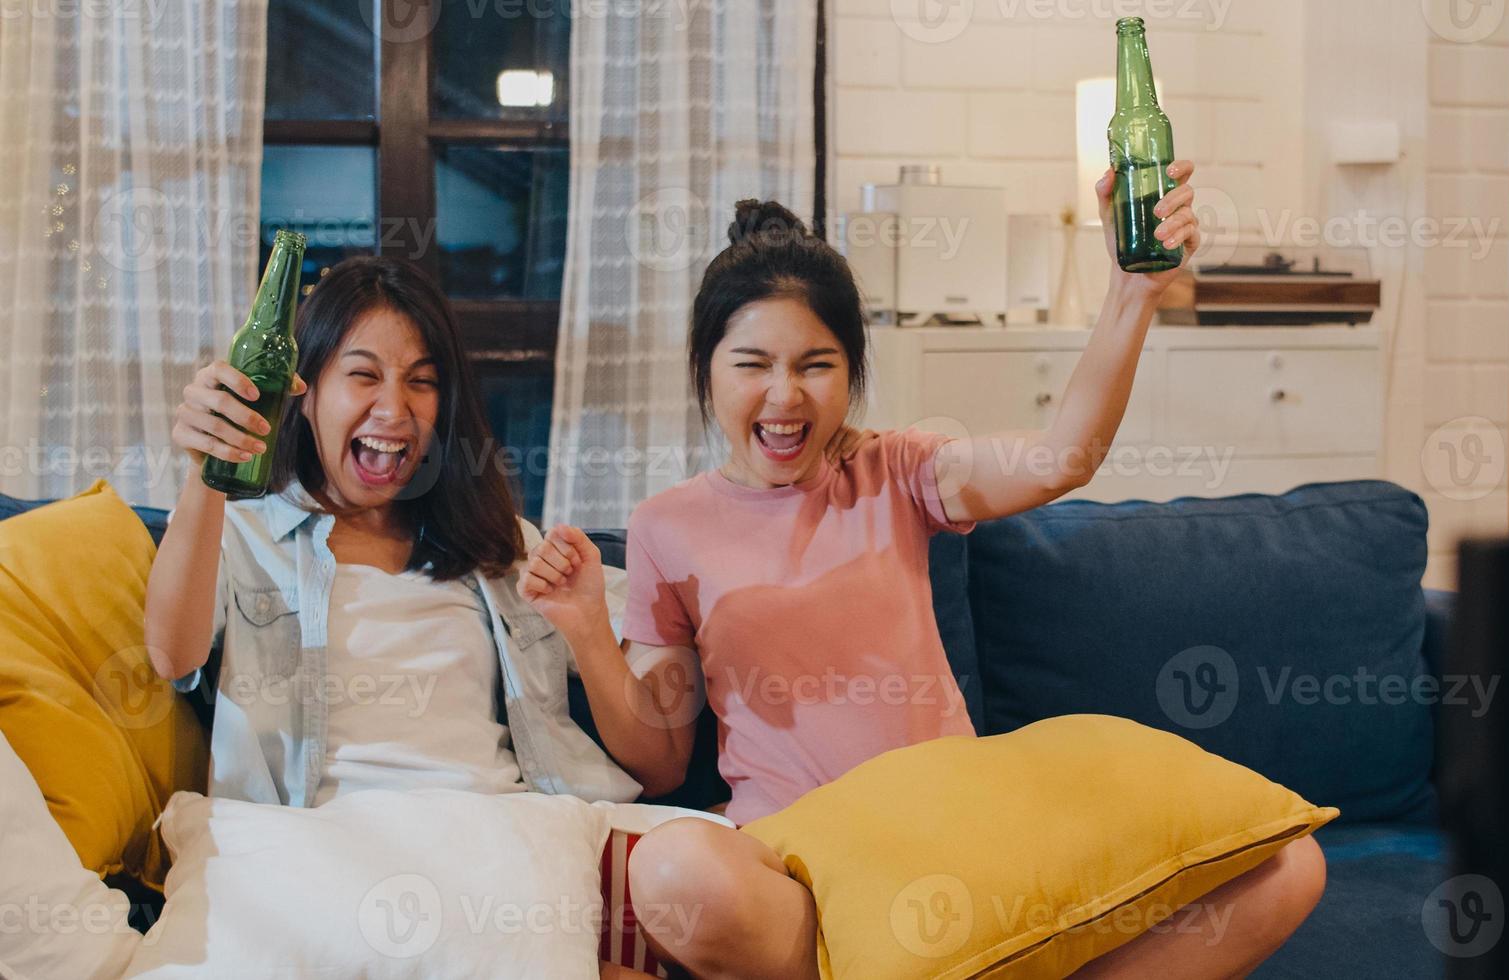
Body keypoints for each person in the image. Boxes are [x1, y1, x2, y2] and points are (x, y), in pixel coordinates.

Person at [519, 164, 1328, 979]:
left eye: (816, 364)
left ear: (852, 371)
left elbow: (1060, 460)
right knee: (672, 872)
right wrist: (589, 625)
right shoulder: (668, 527)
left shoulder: (899, 471)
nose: (784, 395)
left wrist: (1131, 294)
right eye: (752, 364)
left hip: (959, 839)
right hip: (806, 864)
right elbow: (660, 764)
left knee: (1287, 867)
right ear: (707, 370)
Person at [143, 255, 658, 979]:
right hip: (320, 854)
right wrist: (209, 466)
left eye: (422, 380)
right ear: (304, 390)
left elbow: (653, 747)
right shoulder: (239, 534)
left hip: (497, 844)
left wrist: (601, 629)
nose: (394, 409)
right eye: (363, 375)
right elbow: (171, 654)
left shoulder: (506, 549)